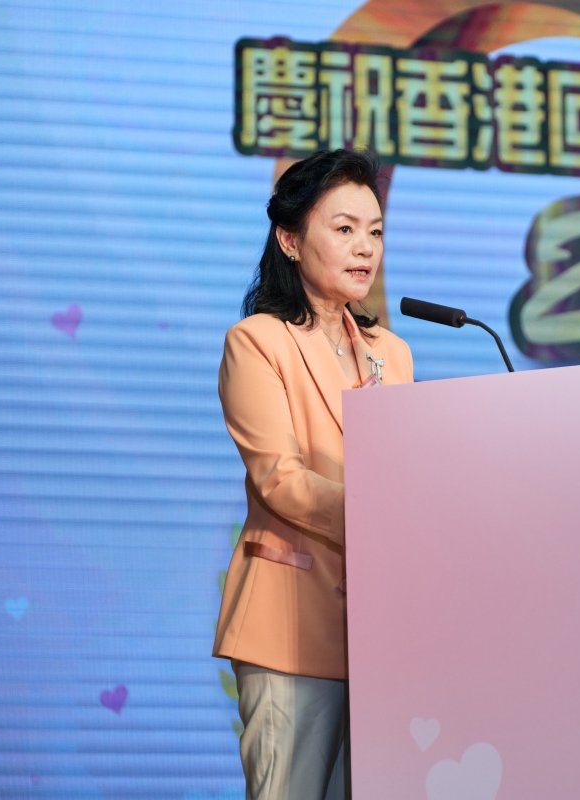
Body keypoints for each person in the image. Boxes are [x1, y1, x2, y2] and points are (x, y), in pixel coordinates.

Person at [212, 149, 413, 800]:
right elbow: (281, 480)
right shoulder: (258, 342)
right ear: (291, 240)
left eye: (375, 231)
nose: (365, 247)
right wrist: (387, 517)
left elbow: (410, 475)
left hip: (382, 637)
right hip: (291, 629)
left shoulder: (393, 354)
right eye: (344, 228)